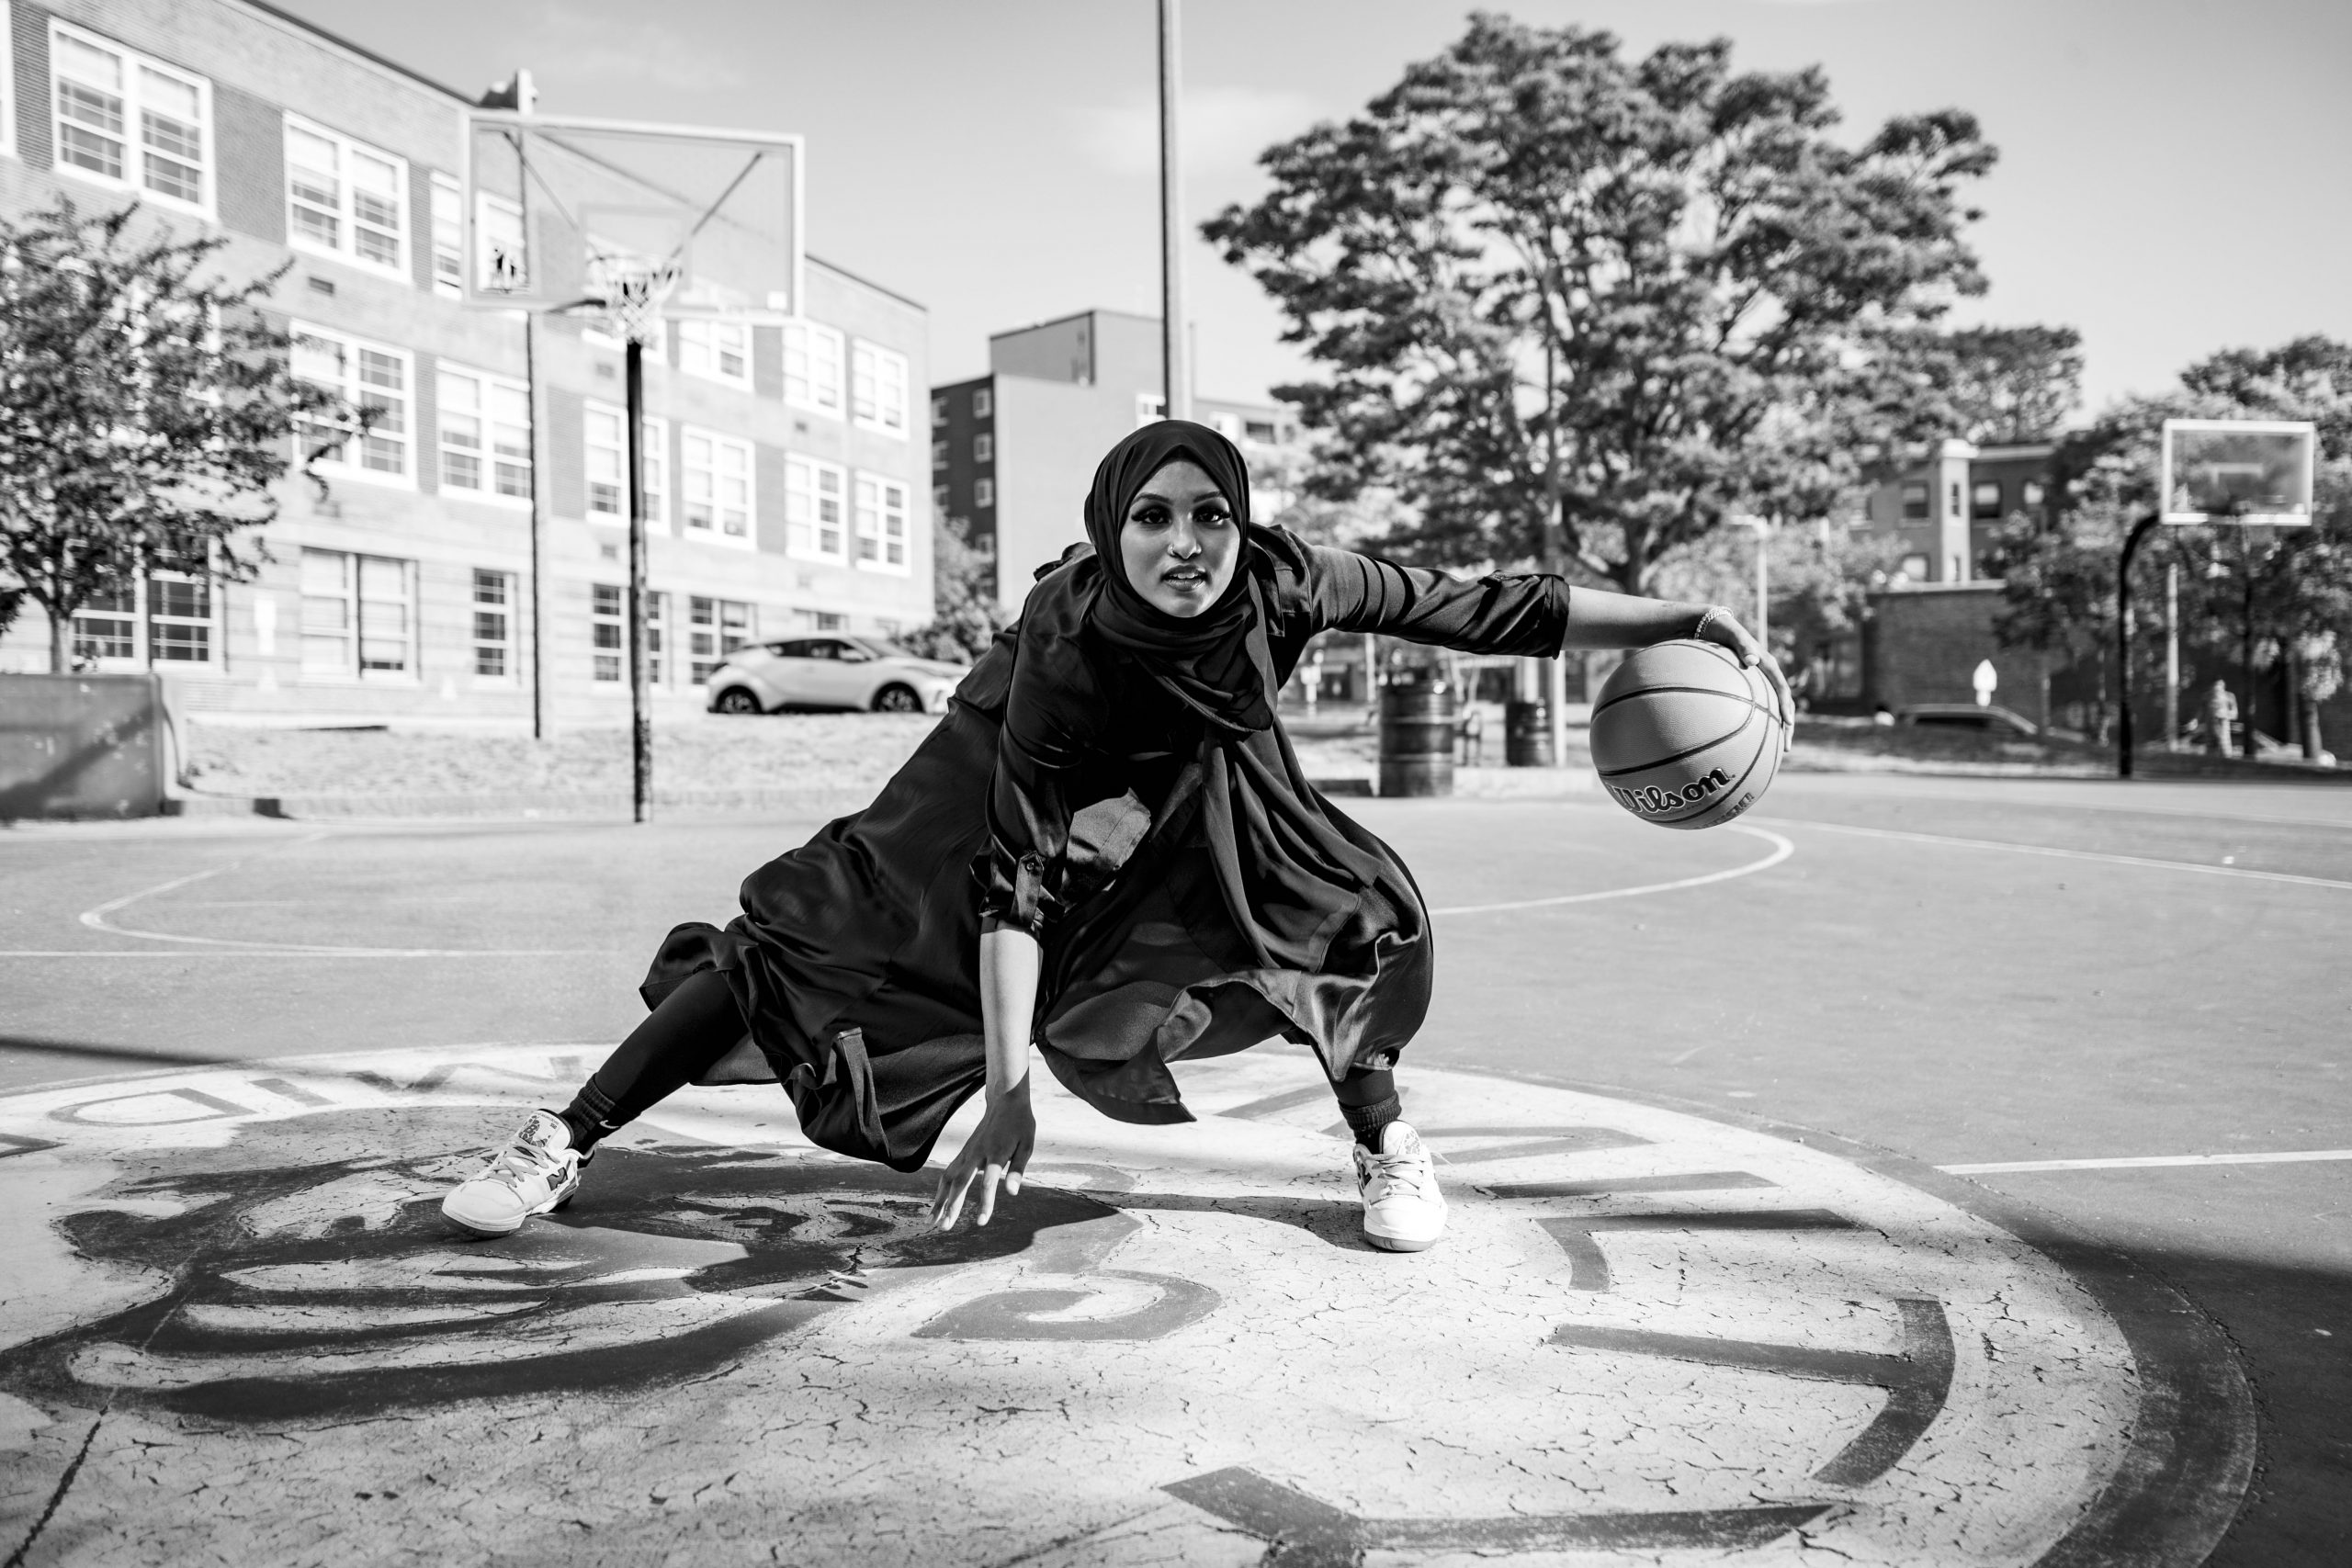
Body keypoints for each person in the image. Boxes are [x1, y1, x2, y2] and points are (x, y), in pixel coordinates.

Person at [441, 422, 1790, 1252]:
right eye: (1153, 514)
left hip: (1197, 793)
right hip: (993, 784)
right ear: (1110, 525)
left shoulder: (1283, 577)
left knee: (1331, 919)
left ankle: (1385, 1144)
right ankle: (563, 1138)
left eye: (1211, 510)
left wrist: (1676, 618)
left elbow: (1482, 607)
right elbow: (1012, 885)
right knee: (797, 947)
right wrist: (1011, 1089)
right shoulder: (1063, 649)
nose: (1187, 538)